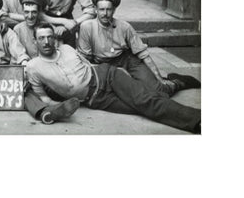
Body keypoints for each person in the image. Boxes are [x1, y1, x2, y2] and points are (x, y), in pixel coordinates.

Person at [26, 23, 201, 133]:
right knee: (142, 106)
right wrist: (57, 106)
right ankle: (176, 83)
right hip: (96, 99)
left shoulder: (67, 49)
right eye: (41, 38)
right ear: (35, 42)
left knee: (145, 101)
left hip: (107, 77)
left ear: (55, 39)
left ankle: (198, 120)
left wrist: (115, 72)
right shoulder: (33, 67)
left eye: (50, 37)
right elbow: (43, 98)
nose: (46, 42)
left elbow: (88, 64)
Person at [77, 0, 198, 96]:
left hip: (127, 60)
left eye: (109, 9)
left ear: (114, 10)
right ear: (95, 9)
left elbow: (143, 54)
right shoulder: (87, 27)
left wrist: (159, 79)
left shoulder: (124, 27)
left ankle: (177, 82)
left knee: (160, 91)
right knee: (127, 94)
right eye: (101, 9)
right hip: (102, 65)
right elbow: (84, 58)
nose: (105, 14)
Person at [13, 0, 80, 124]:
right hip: (30, 77)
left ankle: (55, 105)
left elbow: (60, 55)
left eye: (34, 12)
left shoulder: (49, 29)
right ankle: (47, 111)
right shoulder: (17, 30)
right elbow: (16, 55)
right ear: (22, 12)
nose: (30, 16)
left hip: (50, 77)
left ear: (39, 12)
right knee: (25, 92)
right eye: (26, 12)